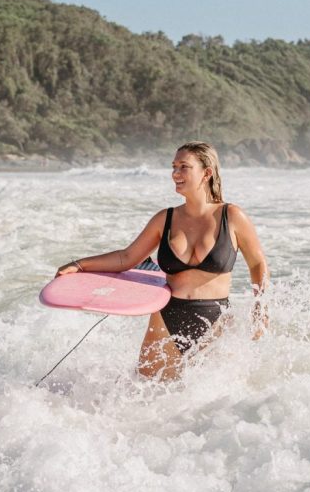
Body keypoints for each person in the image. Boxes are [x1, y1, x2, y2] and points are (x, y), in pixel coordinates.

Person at [55, 141, 269, 380]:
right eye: (174, 166)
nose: (175, 173)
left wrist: (260, 307)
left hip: (216, 320)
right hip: (165, 320)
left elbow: (257, 263)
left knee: (209, 404)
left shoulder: (231, 216)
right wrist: (80, 264)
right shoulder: (165, 219)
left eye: (184, 167)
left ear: (206, 172)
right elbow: (127, 257)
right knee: (146, 398)